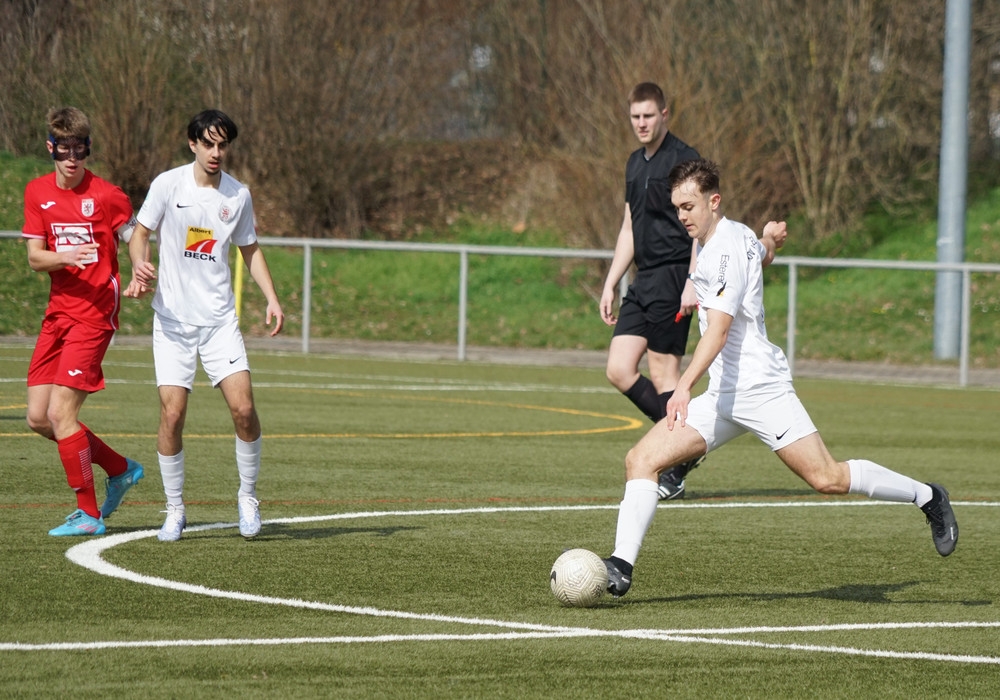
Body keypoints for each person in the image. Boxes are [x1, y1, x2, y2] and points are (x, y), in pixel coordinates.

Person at [601, 158, 959, 598]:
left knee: (827, 478)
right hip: (724, 395)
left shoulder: (725, 248)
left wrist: (683, 387)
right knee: (641, 460)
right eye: (677, 208)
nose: (682, 217)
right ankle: (621, 566)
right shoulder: (735, 238)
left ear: (714, 201)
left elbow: (719, 330)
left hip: (761, 389)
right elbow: (761, 253)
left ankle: (928, 496)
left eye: (689, 207)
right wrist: (770, 239)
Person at [124, 109, 284, 542]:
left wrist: (271, 298)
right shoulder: (167, 185)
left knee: (244, 410)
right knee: (172, 414)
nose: (216, 152)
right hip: (173, 323)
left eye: (222, 145)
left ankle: (247, 496)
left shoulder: (238, 196)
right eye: (208, 144)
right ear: (192, 143)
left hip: (218, 323)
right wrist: (139, 265)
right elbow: (139, 233)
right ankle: (175, 509)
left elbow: (250, 249)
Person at [22, 107, 145, 536]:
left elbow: (136, 235)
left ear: (88, 148)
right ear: (50, 148)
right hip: (57, 313)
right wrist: (65, 256)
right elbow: (35, 258)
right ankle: (120, 468)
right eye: (64, 149)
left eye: (80, 149)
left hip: (94, 313)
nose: (72, 158)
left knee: (61, 414)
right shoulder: (37, 192)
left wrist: (140, 266)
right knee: (38, 418)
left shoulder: (108, 195)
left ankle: (89, 515)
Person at [599, 82, 703, 501]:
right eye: (635, 116)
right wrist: (611, 281)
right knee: (618, 368)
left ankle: (674, 466)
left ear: (664, 114)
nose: (641, 123)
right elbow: (629, 227)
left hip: (675, 276)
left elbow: (701, 225)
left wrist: (694, 278)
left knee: (663, 374)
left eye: (648, 115)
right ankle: (687, 443)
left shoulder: (684, 160)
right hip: (643, 280)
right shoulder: (633, 163)